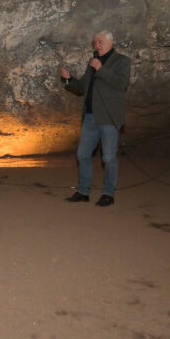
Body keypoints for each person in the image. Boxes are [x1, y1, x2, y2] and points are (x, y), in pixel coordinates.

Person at [61, 30, 131, 207]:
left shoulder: (122, 61)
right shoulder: (92, 63)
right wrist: (69, 80)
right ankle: (83, 192)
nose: (96, 45)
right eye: (94, 42)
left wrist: (101, 68)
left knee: (108, 158)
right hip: (90, 117)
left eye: (99, 42)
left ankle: (108, 194)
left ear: (109, 42)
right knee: (82, 154)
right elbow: (83, 86)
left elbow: (120, 84)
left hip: (109, 118)